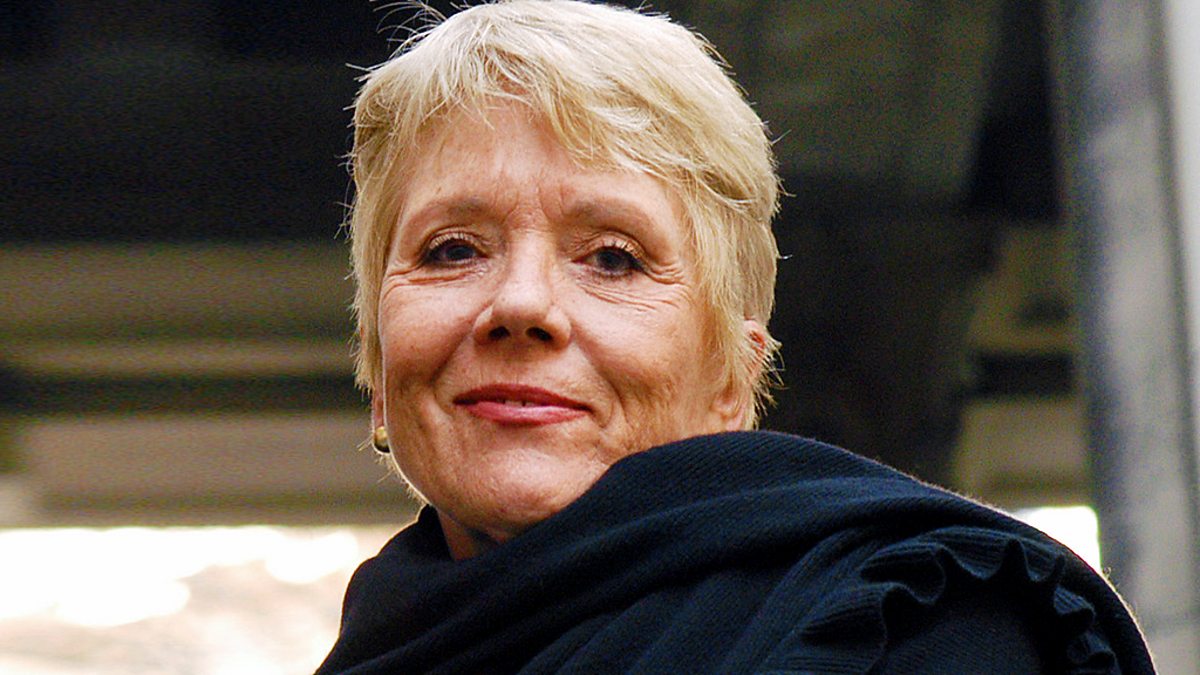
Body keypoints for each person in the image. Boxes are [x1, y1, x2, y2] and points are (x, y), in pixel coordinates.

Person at [317, 1, 1154, 672]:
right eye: (452, 250)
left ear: (730, 377)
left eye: (613, 258)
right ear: (379, 367)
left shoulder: (916, 624)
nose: (522, 304)